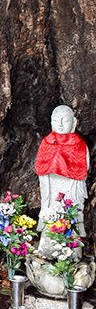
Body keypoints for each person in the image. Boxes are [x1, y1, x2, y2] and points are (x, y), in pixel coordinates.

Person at [35, 104, 89, 255]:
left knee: (71, 216)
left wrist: (62, 166)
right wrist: (53, 166)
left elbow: (82, 172)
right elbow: (40, 167)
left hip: (70, 192)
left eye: (64, 120)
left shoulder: (80, 146)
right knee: (50, 215)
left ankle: (72, 249)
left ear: (74, 123)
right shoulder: (46, 142)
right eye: (56, 120)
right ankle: (47, 247)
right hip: (52, 193)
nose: (59, 124)